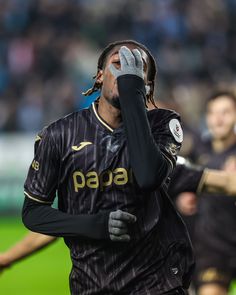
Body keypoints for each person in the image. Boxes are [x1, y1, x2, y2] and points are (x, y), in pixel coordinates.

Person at [21, 40, 194, 294]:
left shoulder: (163, 124)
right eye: (118, 64)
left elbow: (147, 176)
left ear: (145, 86)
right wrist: (95, 225)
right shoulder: (59, 135)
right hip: (92, 284)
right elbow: (33, 213)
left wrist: (132, 92)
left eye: (137, 69)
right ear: (100, 77)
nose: (126, 72)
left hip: (156, 282)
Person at [2, 158, 236, 276]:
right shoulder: (96, 175)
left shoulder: (164, 165)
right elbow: (58, 226)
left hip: (160, 277)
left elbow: (224, 182)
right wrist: (7, 258)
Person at [181, 91, 236, 295]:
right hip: (212, 248)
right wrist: (182, 197)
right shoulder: (195, 150)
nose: (219, 119)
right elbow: (178, 180)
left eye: (226, 112)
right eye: (213, 113)